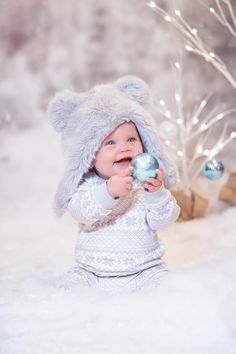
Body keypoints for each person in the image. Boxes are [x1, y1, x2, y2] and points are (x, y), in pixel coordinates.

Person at [48, 75, 180, 293]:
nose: (124, 148)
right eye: (110, 142)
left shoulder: (144, 185)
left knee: (171, 290)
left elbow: (164, 221)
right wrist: (108, 192)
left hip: (146, 270)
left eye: (131, 140)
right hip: (91, 272)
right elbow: (81, 212)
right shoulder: (88, 185)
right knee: (66, 291)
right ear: (89, 154)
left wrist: (157, 193)